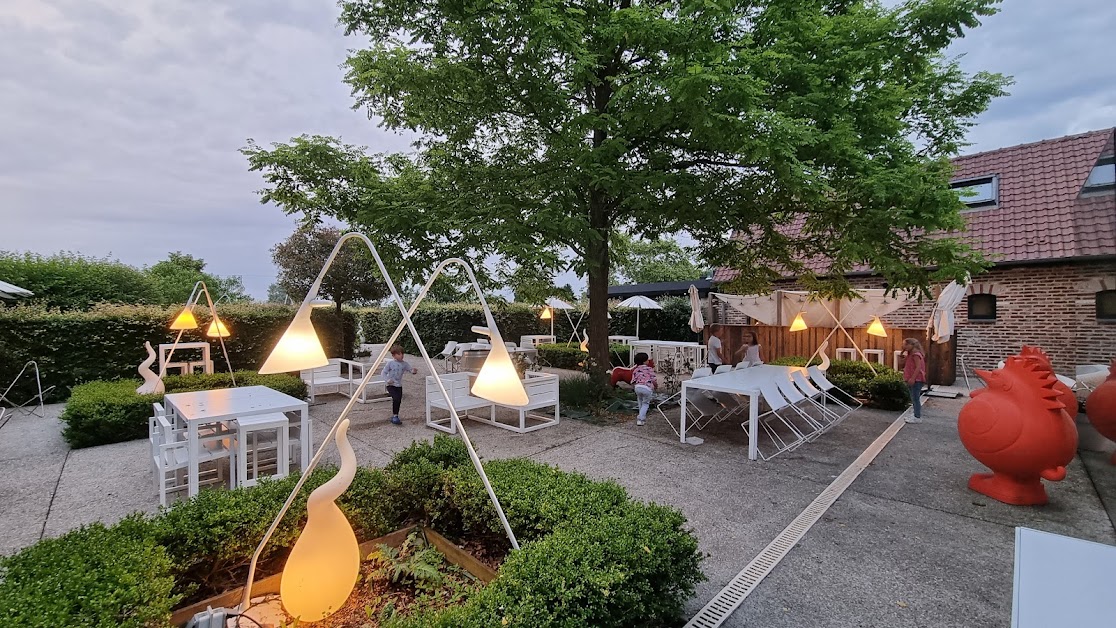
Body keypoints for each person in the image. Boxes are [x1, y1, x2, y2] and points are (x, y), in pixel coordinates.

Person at [381, 344, 418, 425]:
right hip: (390, 385)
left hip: (398, 385)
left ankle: (395, 416)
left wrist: (414, 371)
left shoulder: (404, 364)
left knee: (398, 400)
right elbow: (383, 372)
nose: (401, 355)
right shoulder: (390, 363)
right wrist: (387, 380)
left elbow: (410, 370)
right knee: (396, 398)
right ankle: (394, 416)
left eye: (402, 353)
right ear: (394, 355)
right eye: (399, 354)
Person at [901, 338, 926, 424]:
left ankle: (917, 416)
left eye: (905, 345)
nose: (904, 346)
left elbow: (918, 367)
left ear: (911, 345)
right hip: (911, 378)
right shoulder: (910, 354)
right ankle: (915, 413)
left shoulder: (916, 355)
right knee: (913, 397)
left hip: (917, 379)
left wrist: (913, 378)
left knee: (915, 398)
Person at [630, 352, 658, 426]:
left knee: (640, 402)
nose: (648, 361)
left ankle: (641, 416)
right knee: (645, 403)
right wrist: (655, 386)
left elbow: (633, 381)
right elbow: (654, 380)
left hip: (638, 387)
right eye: (647, 359)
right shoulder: (649, 369)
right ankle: (640, 419)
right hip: (647, 388)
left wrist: (634, 388)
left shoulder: (635, 370)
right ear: (644, 361)